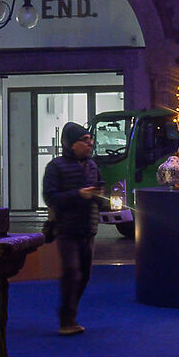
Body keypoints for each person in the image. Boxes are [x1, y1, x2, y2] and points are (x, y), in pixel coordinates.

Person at [40, 122, 107, 335]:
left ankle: (70, 312)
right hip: (66, 228)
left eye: (90, 139)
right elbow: (50, 197)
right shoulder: (56, 166)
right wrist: (79, 194)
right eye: (84, 140)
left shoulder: (92, 166)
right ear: (71, 145)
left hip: (88, 228)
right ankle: (66, 320)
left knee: (84, 274)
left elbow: (99, 193)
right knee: (71, 272)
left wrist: (102, 198)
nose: (90, 144)